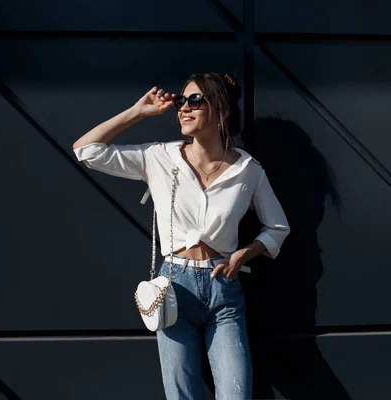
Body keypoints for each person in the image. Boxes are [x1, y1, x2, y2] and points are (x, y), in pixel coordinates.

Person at [72, 72, 290, 399]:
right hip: (173, 286)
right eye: (181, 102)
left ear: (222, 111)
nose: (184, 109)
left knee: (236, 394)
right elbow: (86, 150)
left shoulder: (249, 170)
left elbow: (277, 227)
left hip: (224, 290)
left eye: (195, 100)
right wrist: (137, 111)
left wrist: (244, 254)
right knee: (181, 395)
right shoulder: (160, 157)